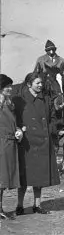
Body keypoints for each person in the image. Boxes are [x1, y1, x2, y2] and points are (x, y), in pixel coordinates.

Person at [13, 72, 64, 215]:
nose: (41, 85)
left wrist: (51, 132)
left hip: (42, 142)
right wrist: (18, 130)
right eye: (37, 83)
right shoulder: (19, 100)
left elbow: (53, 118)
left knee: (39, 177)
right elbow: (13, 119)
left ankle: (37, 205)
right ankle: (19, 205)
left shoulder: (46, 99)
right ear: (29, 84)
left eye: (41, 83)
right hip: (26, 142)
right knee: (24, 176)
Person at [0, 75, 22, 220]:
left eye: (10, 86)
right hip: (1, 143)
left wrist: (18, 130)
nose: (10, 88)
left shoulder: (9, 103)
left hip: (10, 143)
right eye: (6, 86)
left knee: (3, 178)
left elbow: (12, 123)